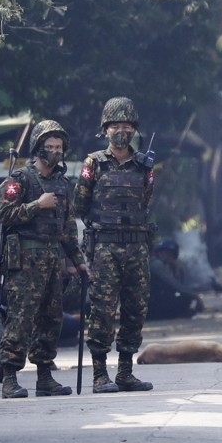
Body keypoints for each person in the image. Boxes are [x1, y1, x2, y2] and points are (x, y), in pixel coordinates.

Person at [0, 120, 89, 399]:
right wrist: (38, 205)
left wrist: (79, 260)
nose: (55, 151)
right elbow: (5, 215)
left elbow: (68, 227)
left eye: (59, 147)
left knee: (51, 318)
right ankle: (10, 377)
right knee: (21, 318)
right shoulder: (20, 180)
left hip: (52, 259)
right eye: (49, 146)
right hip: (25, 260)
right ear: (38, 148)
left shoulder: (62, 184)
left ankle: (45, 375)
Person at [73, 96, 155, 393]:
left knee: (136, 309)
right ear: (105, 129)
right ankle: (99, 375)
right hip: (105, 248)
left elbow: (145, 201)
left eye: (127, 125)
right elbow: (80, 204)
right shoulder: (93, 163)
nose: (122, 131)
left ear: (134, 129)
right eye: (115, 125)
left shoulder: (144, 166)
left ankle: (125, 372)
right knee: (103, 310)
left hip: (137, 247)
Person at [148, 239, 205, 321]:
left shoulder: (169, 266)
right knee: (186, 298)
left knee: (185, 298)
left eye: (170, 254)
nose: (167, 256)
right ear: (159, 252)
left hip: (156, 301)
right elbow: (175, 285)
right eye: (165, 253)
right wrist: (195, 296)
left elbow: (177, 285)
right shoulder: (156, 264)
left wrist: (176, 270)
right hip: (151, 304)